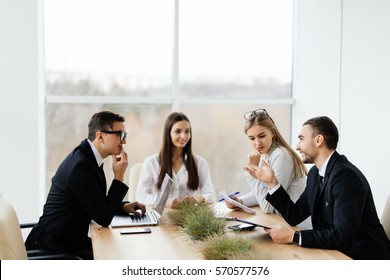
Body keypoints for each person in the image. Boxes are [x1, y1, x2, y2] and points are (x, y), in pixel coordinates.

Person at [245, 116, 390, 260]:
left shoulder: (345, 177)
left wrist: (293, 236)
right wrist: (272, 182)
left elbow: (343, 236)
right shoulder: (315, 173)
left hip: (364, 258)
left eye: (301, 138)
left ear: (319, 140)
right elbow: (295, 215)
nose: (297, 146)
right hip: (334, 253)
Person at [25, 111, 146, 259]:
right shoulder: (82, 166)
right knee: (118, 255)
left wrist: (122, 206)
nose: (124, 141)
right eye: (119, 135)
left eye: (125, 136)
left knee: (122, 251)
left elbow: (96, 203)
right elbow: (104, 218)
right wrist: (119, 176)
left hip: (68, 241)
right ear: (100, 136)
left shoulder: (88, 157)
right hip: (54, 247)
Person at [225, 108, 311, 229]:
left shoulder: (281, 155)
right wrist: (240, 202)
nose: (257, 143)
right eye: (252, 138)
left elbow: (268, 206)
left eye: (262, 136)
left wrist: (253, 172)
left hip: (298, 227)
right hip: (281, 223)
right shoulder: (266, 154)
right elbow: (266, 193)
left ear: (272, 133)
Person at [136, 112, 216, 208]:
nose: (183, 136)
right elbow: (141, 196)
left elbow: (211, 194)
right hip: (162, 217)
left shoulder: (199, 163)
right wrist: (163, 201)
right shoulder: (151, 162)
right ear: (168, 133)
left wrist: (199, 198)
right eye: (178, 131)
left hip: (190, 216)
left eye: (187, 131)